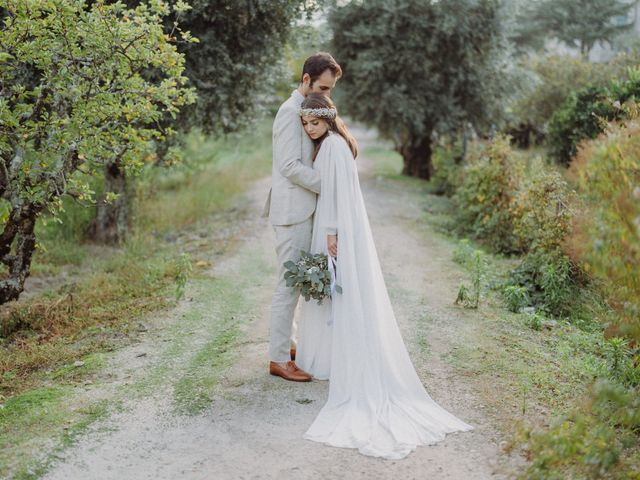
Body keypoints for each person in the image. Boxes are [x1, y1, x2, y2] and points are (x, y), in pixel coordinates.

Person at [296, 93, 474, 459]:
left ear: (327, 120)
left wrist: (330, 232)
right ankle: (329, 356)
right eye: (305, 124)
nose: (309, 129)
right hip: (341, 227)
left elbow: (334, 193)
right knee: (336, 292)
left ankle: (334, 360)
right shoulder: (338, 144)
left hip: (335, 229)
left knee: (337, 291)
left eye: (314, 122)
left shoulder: (331, 147)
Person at [262, 53, 342, 382]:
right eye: (322, 86)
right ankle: (278, 359)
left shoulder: (307, 109)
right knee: (287, 286)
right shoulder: (288, 112)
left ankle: (289, 344)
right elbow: (289, 166)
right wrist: (330, 185)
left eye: (331, 89)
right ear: (306, 79)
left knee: (296, 283)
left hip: (303, 209)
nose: (326, 94)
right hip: (292, 212)